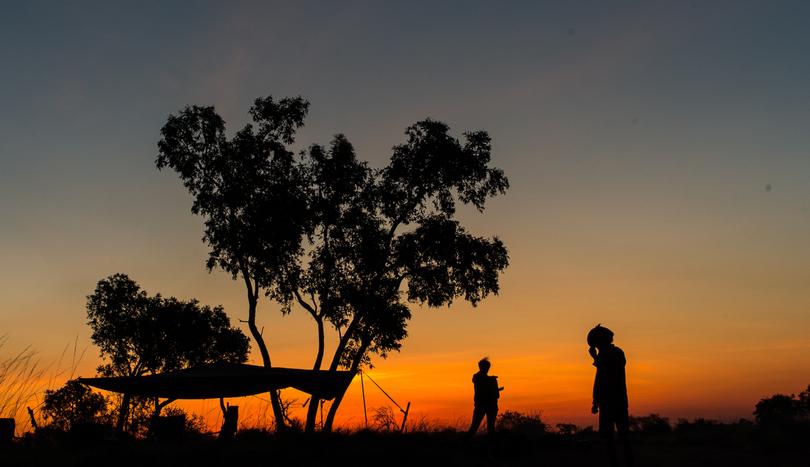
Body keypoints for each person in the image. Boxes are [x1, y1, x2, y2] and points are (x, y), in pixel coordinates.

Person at [588, 324, 633, 467]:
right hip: (608, 402)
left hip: (616, 400)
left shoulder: (616, 353)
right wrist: (596, 402)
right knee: (608, 436)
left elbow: (607, 373)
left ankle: (626, 462)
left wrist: (596, 358)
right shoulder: (606, 355)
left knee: (622, 435)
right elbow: (599, 380)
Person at [466, 357, 504, 438]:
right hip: (482, 406)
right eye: (486, 367)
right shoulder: (477, 377)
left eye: (487, 367)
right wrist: (492, 381)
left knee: (490, 429)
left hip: (490, 406)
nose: (487, 369)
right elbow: (496, 394)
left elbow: (497, 395)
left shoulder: (491, 380)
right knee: (474, 428)